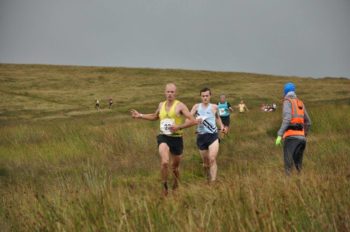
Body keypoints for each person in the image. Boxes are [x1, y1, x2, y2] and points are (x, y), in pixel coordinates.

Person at [130, 83, 197, 196]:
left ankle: (176, 183)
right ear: (164, 92)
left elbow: (192, 120)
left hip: (177, 138)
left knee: (175, 168)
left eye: (172, 92)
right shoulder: (161, 105)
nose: (170, 94)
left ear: (175, 93)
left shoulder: (180, 106)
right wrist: (140, 115)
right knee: (165, 162)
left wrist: (178, 127)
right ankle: (165, 187)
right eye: (168, 92)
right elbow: (155, 116)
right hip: (163, 137)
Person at [191, 88, 226, 182]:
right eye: (203, 96)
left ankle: (213, 182)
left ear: (210, 96)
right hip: (201, 136)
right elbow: (189, 119)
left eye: (207, 96)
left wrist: (222, 126)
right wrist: (195, 121)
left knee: (212, 158)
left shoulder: (214, 107)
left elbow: (217, 117)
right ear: (200, 97)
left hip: (213, 135)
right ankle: (207, 177)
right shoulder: (196, 107)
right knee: (206, 163)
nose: (205, 98)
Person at [275, 82, 311, 175]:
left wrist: (279, 134)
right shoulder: (300, 103)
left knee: (288, 167)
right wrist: (304, 134)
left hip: (291, 138)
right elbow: (308, 122)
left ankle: (288, 186)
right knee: (298, 166)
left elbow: (287, 118)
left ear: (285, 92)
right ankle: (301, 185)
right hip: (302, 139)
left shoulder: (287, 101)